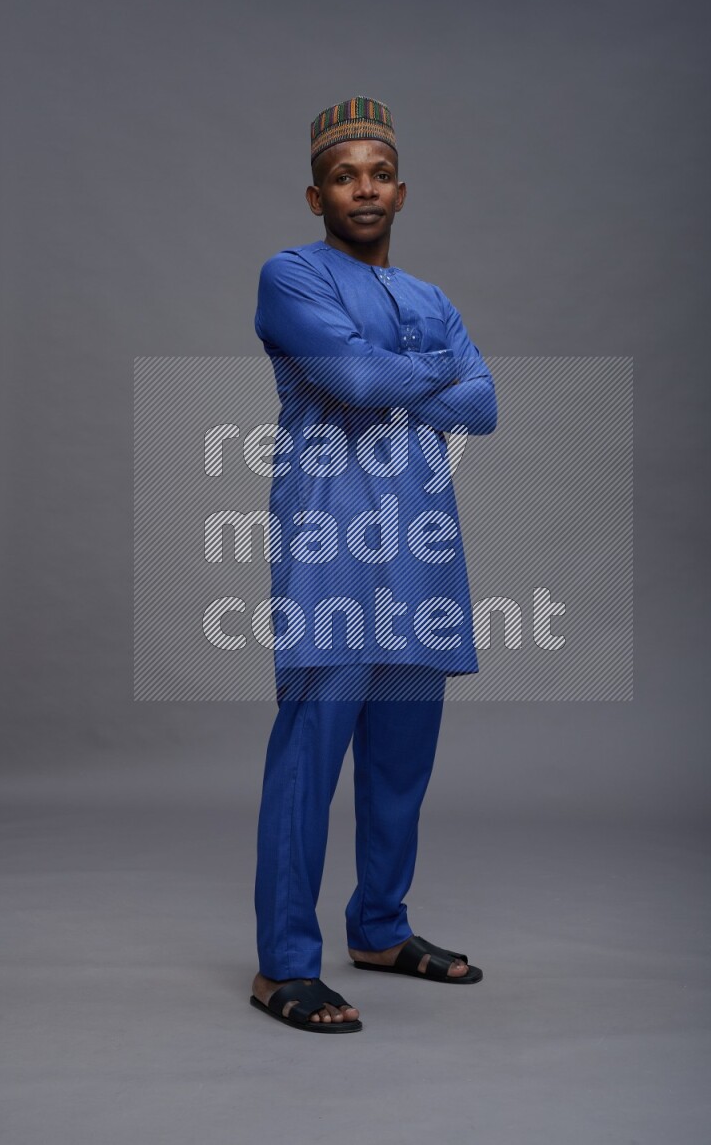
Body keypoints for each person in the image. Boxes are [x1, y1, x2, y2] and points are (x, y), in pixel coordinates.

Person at [250, 96, 497, 1032]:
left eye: (380, 174)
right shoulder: (291, 275)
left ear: (401, 191)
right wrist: (435, 371)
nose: (365, 188)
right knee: (310, 754)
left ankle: (381, 929)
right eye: (344, 176)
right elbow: (352, 381)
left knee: (402, 758)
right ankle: (283, 965)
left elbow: (485, 408)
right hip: (330, 540)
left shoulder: (431, 296)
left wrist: (392, 369)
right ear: (317, 196)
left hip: (421, 545)